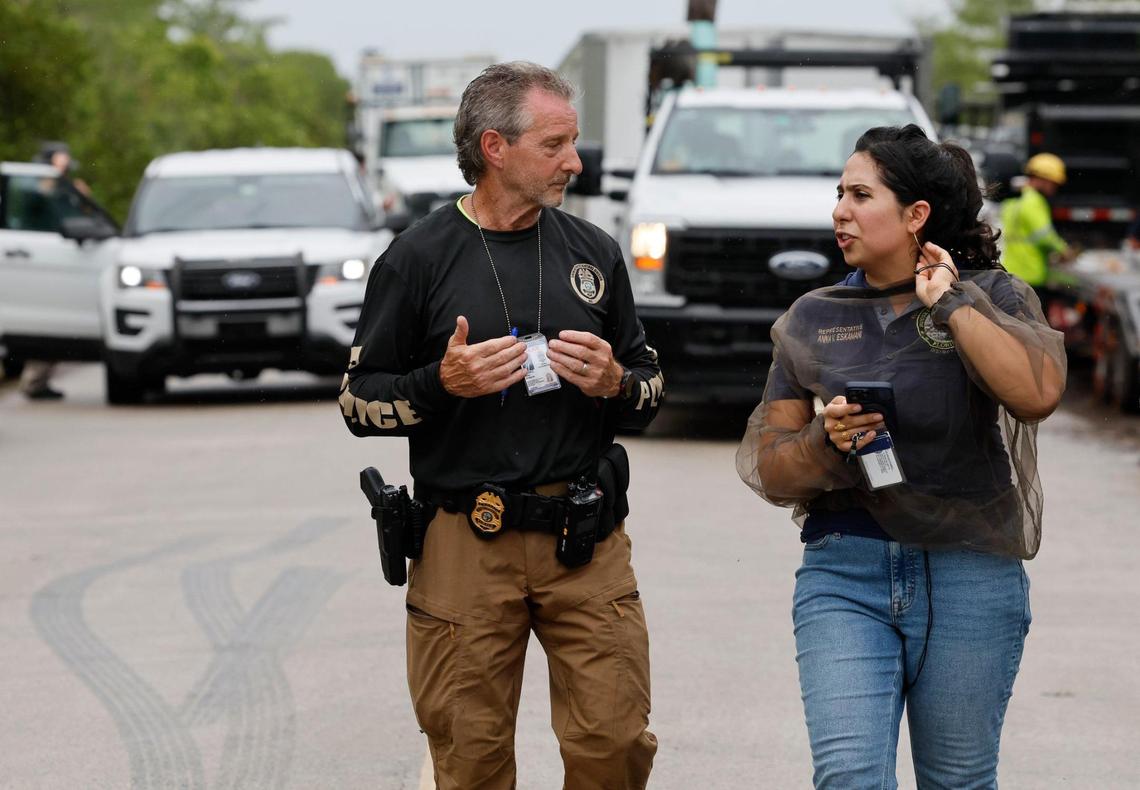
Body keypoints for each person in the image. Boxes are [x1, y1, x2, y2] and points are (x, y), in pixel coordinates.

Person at [340, 62, 662, 789]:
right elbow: (359, 400)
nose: (574, 162)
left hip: (584, 536)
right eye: (555, 145)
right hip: (466, 539)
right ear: (494, 147)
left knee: (614, 743)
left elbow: (649, 385)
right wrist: (439, 384)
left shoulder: (594, 253)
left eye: (572, 143)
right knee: (471, 756)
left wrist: (616, 383)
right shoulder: (417, 258)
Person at [737, 125, 1067, 789]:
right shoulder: (813, 317)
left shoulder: (991, 297)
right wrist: (825, 440)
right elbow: (770, 465)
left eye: (861, 194)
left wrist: (948, 302)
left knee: (957, 781)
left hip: (970, 572)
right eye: (839, 194)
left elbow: (1037, 393)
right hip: (844, 572)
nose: (840, 210)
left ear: (916, 215)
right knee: (849, 777)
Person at [18, 141, 88, 400]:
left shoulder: (60, 190)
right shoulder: (36, 189)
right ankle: (34, 380)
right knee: (45, 326)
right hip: (38, 266)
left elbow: (76, 220)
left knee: (53, 325)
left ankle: (38, 381)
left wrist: (80, 197)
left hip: (58, 264)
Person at [1000, 152, 1071, 296]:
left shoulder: (1014, 198)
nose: (1054, 188)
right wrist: (1064, 250)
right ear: (1043, 179)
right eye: (1053, 183)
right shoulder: (1035, 201)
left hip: (1010, 271)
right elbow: (1044, 235)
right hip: (1030, 274)